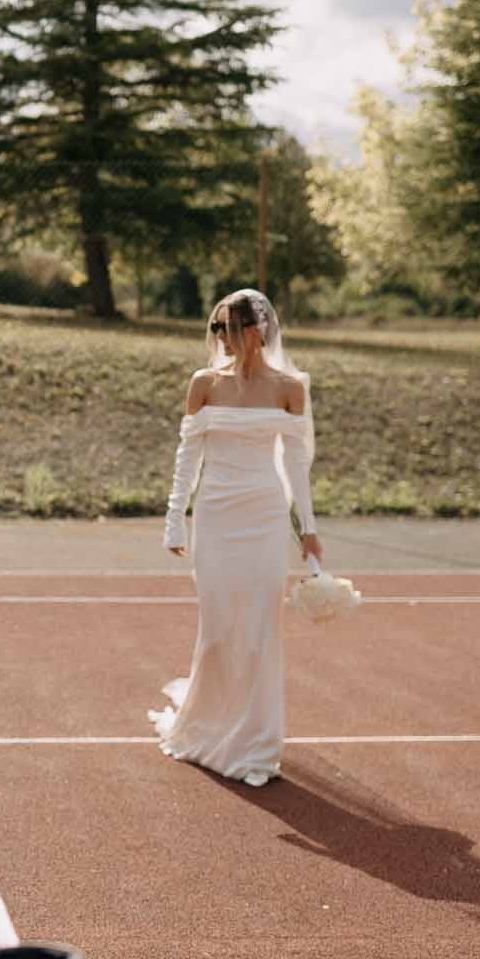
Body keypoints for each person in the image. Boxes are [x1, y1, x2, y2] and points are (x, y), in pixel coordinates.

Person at [151, 287, 320, 788]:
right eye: (215, 327)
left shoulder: (291, 387)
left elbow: (295, 464)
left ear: (255, 332)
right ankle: (206, 727)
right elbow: (188, 456)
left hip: (265, 515)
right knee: (221, 626)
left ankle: (257, 746)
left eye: (227, 327)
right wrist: (173, 518)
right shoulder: (203, 382)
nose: (218, 336)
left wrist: (308, 529)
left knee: (262, 628)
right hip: (217, 515)